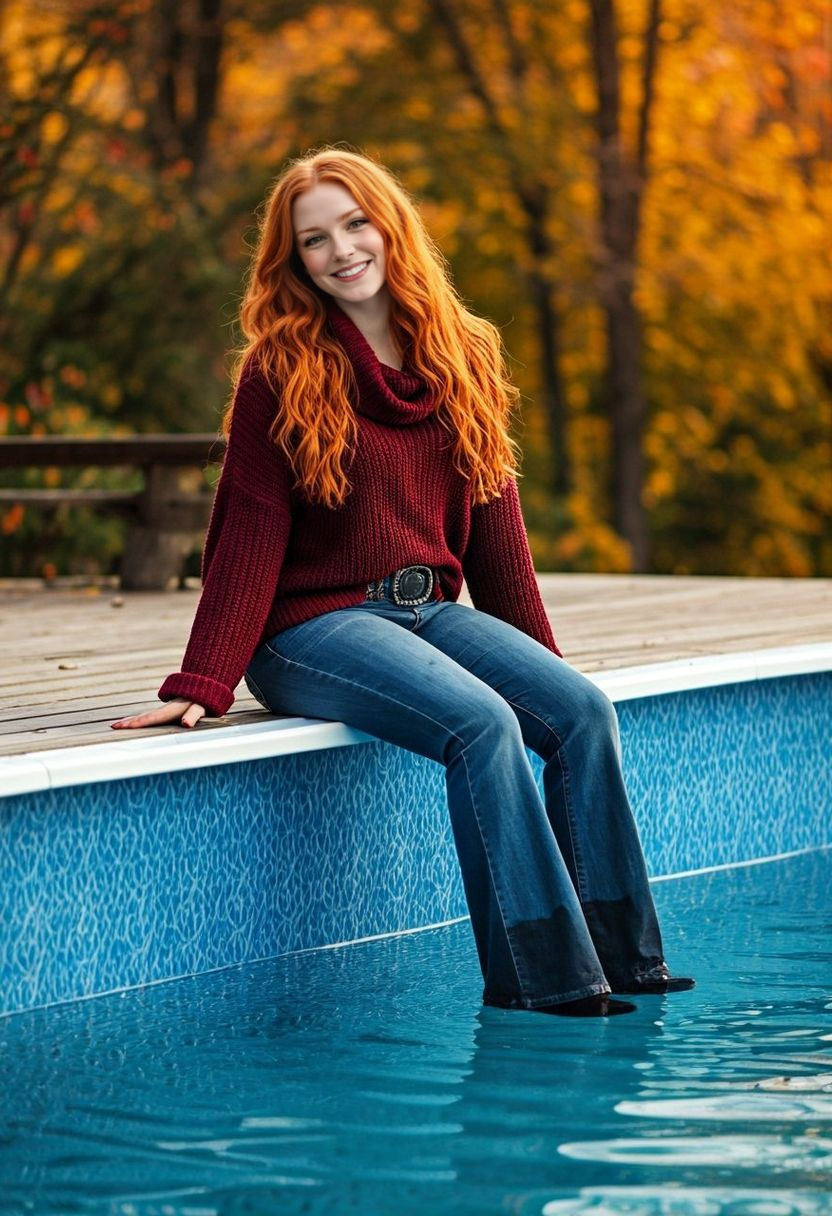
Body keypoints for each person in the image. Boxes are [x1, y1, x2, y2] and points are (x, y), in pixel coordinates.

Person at [112, 146, 694, 1017]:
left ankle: (625, 957)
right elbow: (249, 532)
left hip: (426, 610)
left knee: (581, 713)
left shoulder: (464, 351)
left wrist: (538, 664)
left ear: (391, 228)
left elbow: (497, 527)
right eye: (314, 239)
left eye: (356, 224)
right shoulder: (280, 368)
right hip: (309, 628)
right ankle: (544, 978)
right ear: (294, 260)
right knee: (483, 726)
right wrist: (204, 681)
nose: (341, 250)